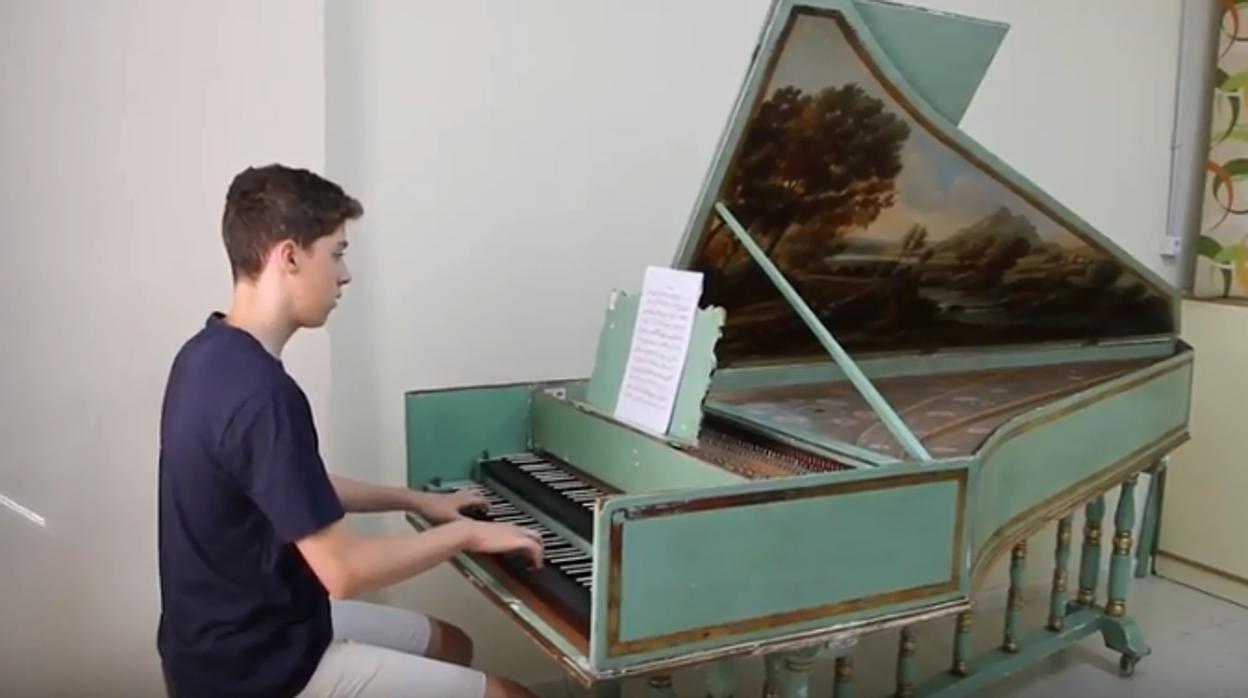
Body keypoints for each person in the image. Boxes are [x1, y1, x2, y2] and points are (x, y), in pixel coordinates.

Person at [157, 164, 544, 698]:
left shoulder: (206, 353)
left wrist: (419, 502)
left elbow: (288, 481)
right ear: (289, 256)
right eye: (336, 253)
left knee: (450, 643)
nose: (345, 275)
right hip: (255, 668)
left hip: (229, 635)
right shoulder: (262, 394)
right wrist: (469, 533)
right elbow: (344, 571)